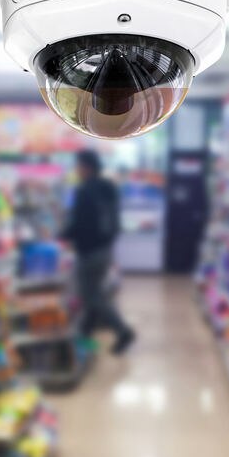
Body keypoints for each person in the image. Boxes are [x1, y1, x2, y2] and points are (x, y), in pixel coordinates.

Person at [61, 150, 136, 355]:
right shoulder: (109, 187)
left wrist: (61, 235)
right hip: (106, 249)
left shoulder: (83, 190)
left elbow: (78, 224)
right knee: (93, 292)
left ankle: (123, 331)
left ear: (86, 167)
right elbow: (114, 218)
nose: (76, 170)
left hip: (89, 251)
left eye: (78, 166)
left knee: (91, 295)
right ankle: (84, 333)